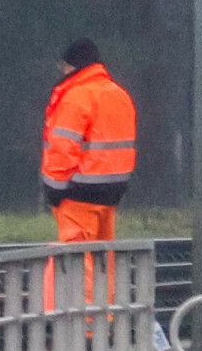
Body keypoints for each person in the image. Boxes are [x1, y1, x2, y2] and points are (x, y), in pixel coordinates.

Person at [40, 37, 137, 244]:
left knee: (74, 258)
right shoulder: (120, 95)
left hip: (78, 195)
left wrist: (54, 190)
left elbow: (63, 149)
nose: (62, 72)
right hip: (112, 193)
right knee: (103, 256)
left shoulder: (76, 97)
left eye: (63, 66)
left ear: (72, 65)